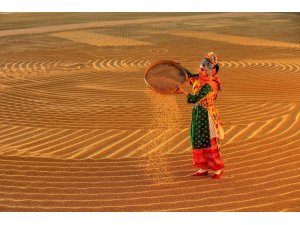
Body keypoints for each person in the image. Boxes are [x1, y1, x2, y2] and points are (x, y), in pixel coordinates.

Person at [177, 52, 225, 179]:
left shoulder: (210, 85)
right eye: (200, 68)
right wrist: (179, 68)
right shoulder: (199, 79)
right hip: (198, 114)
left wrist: (182, 92)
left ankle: (217, 169)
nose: (199, 71)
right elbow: (189, 76)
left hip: (207, 115)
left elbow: (195, 98)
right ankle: (203, 167)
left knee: (209, 141)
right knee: (198, 140)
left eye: (203, 69)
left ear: (211, 72)